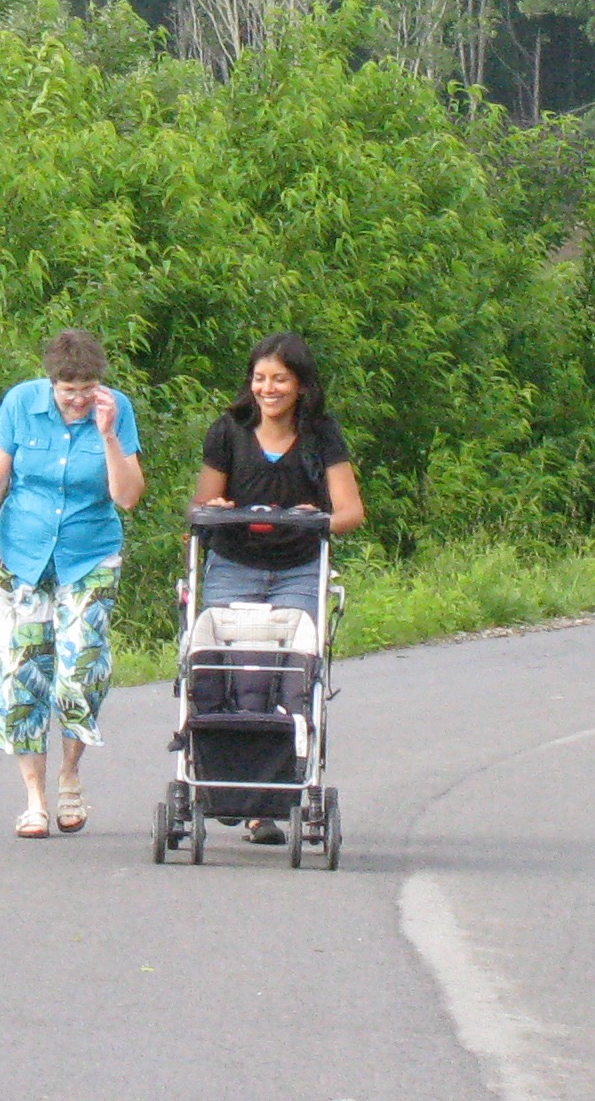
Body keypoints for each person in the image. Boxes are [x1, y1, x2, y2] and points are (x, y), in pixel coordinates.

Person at [0, 327, 145, 839]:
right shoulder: (21, 404)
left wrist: (108, 435)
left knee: (80, 671)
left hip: (88, 556)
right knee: (21, 675)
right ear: (52, 382)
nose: (78, 398)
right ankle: (34, 800)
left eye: (87, 388)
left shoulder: (116, 410)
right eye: (69, 390)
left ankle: (70, 776)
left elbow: (128, 496)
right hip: (22, 552)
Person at [191, 331, 362, 836]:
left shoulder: (322, 434)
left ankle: (266, 800)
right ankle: (231, 786)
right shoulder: (228, 431)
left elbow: (350, 511)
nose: (268, 389)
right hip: (235, 564)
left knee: (289, 673)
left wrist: (317, 517)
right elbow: (201, 508)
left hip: (297, 567)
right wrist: (216, 509)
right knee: (242, 671)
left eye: (280, 379)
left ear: (301, 385)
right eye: (260, 378)